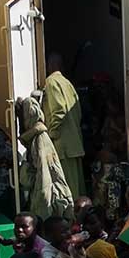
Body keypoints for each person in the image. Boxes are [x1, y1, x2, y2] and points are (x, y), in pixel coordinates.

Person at [41, 50, 86, 198]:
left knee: (68, 191)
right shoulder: (68, 83)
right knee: (78, 189)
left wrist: (51, 134)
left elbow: (59, 109)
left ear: (50, 65)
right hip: (74, 144)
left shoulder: (51, 82)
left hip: (63, 147)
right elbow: (77, 112)